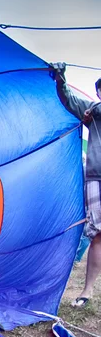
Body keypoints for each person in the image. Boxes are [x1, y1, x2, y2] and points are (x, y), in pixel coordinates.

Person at [51, 62, 101, 307]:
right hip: (97, 177)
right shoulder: (92, 110)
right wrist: (60, 79)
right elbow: (68, 100)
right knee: (99, 235)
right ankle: (87, 291)